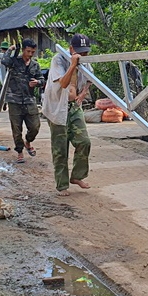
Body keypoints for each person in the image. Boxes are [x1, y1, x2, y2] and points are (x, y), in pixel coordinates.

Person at [44, 33, 93, 196]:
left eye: (85, 52)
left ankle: (77, 176)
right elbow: (63, 83)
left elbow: (90, 78)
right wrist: (72, 65)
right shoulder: (58, 60)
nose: (82, 55)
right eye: (79, 52)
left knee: (84, 141)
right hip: (57, 107)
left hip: (74, 107)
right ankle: (62, 184)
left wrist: (83, 93)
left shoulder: (85, 62)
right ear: (71, 49)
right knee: (60, 148)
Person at [1, 39, 44, 163]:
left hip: (29, 99)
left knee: (35, 126)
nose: (30, 54)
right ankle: (19, 151)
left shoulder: (35, 65)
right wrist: (10, 49)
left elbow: (42, 79)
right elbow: (4, 61)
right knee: (16, 129)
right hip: (14, 99)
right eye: (28, 51)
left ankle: (28, 141)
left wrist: (37, 82)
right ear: (23, 50)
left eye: (32, 52)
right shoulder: (15, 61)